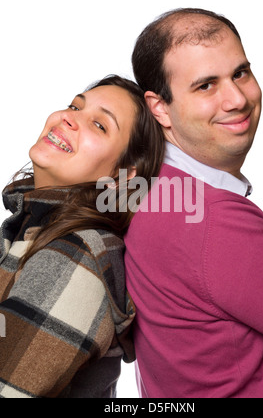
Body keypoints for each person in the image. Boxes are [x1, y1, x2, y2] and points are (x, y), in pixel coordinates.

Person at [125, 8, 263, 398]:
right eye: (205, 86)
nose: (237, 98)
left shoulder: (152, 188)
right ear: (160, 108)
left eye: (240, 73)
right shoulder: (211, 219)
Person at [0, 75, 165, 398]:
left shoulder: (77, 252)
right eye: (74, 105)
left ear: (124, 176)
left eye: (100, 125)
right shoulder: (28, 227)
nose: (68, 117)